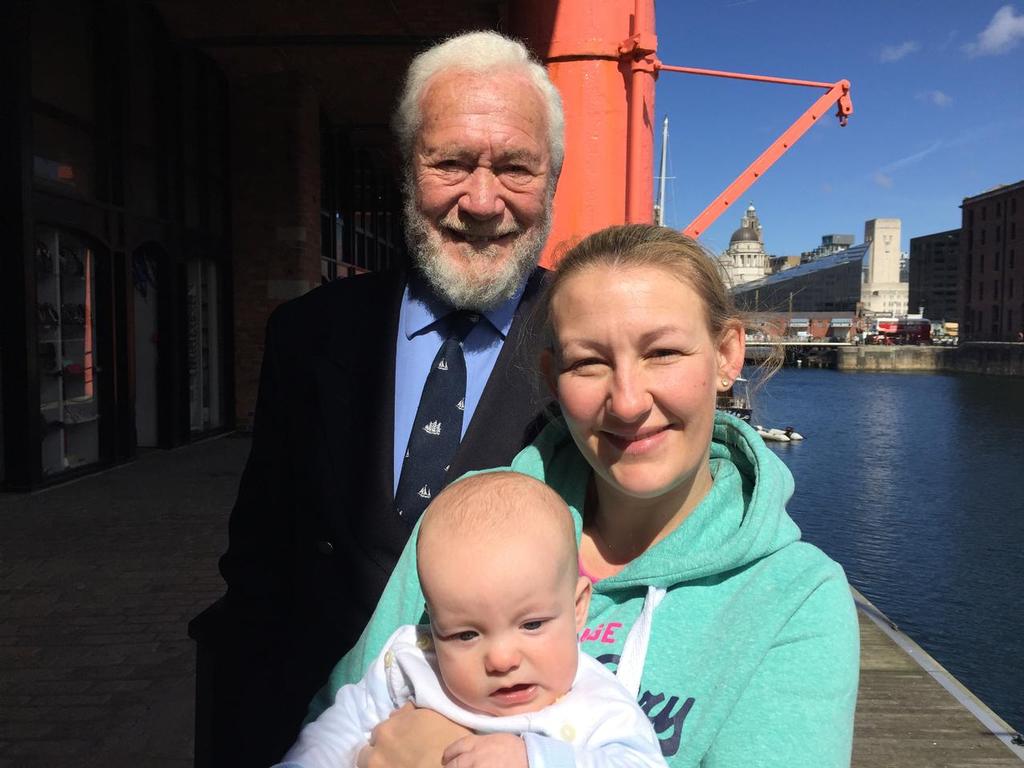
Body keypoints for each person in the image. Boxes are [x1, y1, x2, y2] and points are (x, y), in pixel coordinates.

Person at [313, 224, 860, 768]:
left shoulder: (795, 599)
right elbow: (339, 718)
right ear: (552, 378)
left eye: (663, 352)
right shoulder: (464, 524)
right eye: (588, 363)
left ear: (726, 356)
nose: (625, 403)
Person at [189, 31, 565, 766]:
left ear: (551, 175)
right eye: (450, 162)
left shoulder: (587, 347)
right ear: (405, 169)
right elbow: (261, 560)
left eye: (515, 167)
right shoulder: (306, 333)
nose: (481, 201)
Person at [276, 472, 667, 768]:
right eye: (465, 634)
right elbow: (336, 732)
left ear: (578, 606)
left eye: (531, 625)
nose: (501, 659)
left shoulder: (597, 702)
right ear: (433, 623)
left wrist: (535, 759)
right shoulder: (412, 660)